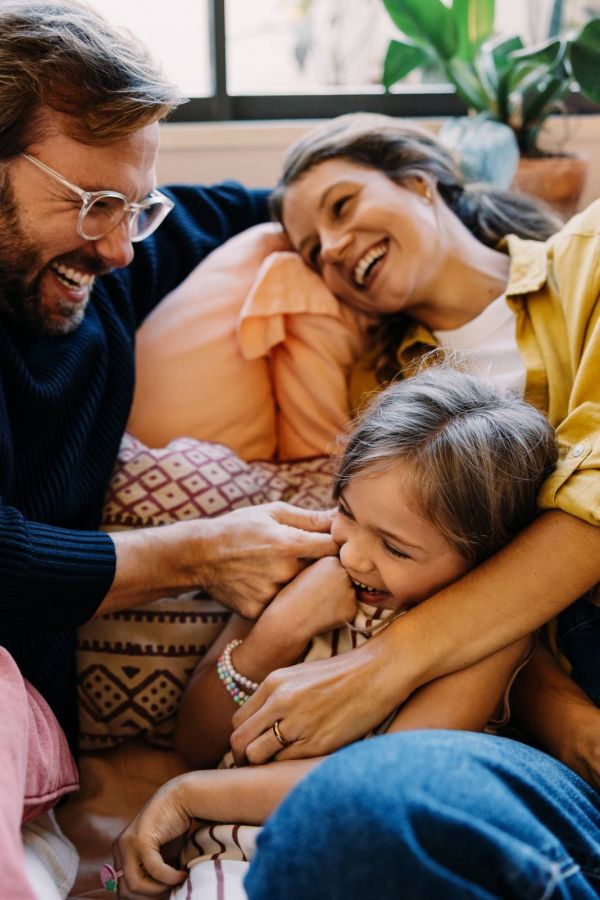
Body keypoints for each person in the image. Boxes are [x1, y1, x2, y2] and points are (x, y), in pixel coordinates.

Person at [0, 3, 336, 894]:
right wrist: (202, 551)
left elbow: (274, 205)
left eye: (136, 204)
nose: (118, 245)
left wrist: (462, 225)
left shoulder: (103, 265)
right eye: (92, 204)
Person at [218, 114, 600, 897]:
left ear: (420, 180)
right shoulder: (380, 397)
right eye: (310, 252)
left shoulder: (589, 258)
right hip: (507, 717)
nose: (331, 249)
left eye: (343, 204)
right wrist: (553, 707)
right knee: (346, 822)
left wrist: (385, 666)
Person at [113, 365, 558, 898]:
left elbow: (376, 786)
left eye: (395, 548)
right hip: (210, 860)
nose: (353, 554)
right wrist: (274, 634)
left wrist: (188, 796)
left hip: (333, 864)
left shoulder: (484, 636)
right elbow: (195, 740)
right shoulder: (301, 568)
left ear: (485, 558)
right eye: (346, 512)